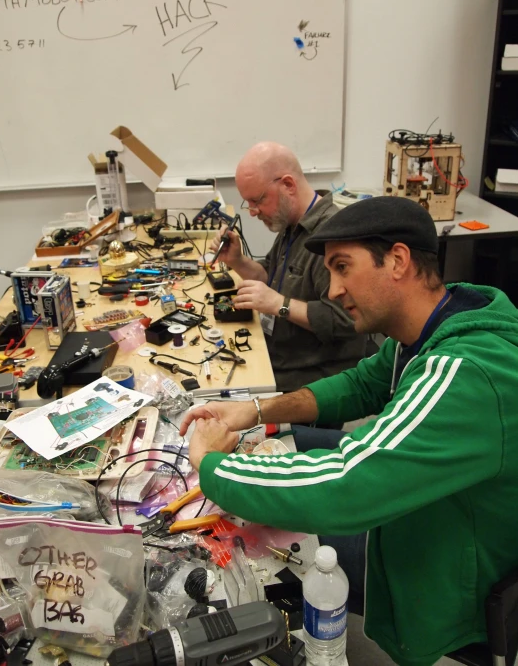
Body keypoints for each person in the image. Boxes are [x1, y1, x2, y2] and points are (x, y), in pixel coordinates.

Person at [182, 195, 518, 666]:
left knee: (263, 547)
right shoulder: (435, 321)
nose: (333, 290)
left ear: (398, 260)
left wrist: (211, 464)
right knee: (287, 459)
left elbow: (346, 484)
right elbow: (361, 384)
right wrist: (255, 411)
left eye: (343, 268)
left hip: (453, 574)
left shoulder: (466, 372)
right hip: (433, 509)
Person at [210, 141, 366, 392]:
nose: (252, 211)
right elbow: (270, 277)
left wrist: (280, 305)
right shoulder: (292, 224)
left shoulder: (334, 236)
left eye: (257, 200)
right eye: (247, 203)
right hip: (281, 354)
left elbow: (348, 320)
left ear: (288, 185)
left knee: (223, 398)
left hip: (312, 376)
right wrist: (237, 260)